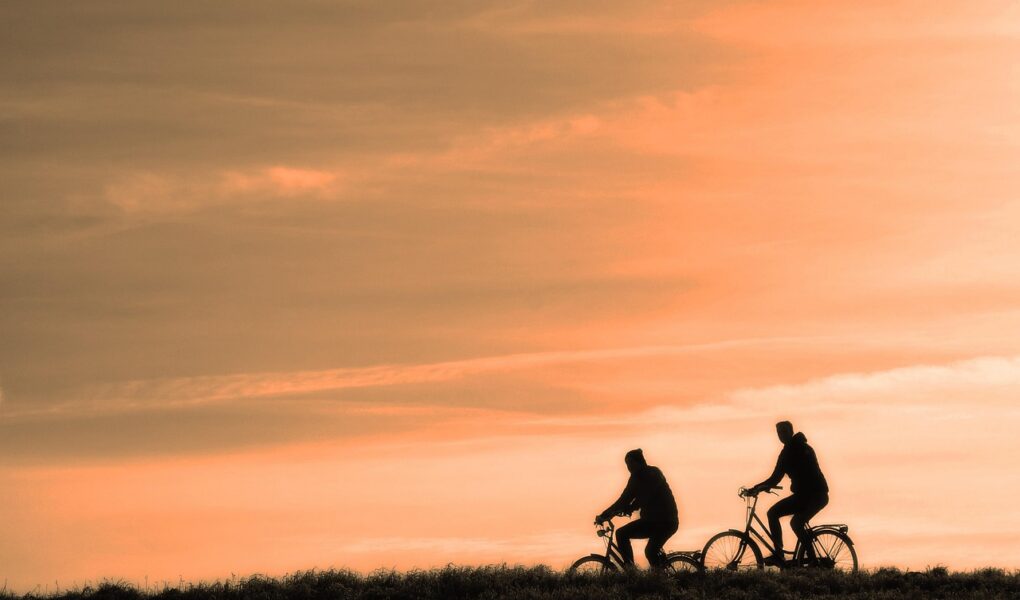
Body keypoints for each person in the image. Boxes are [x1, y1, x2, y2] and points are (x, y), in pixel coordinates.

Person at [745, 421, 829, 567]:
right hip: (808, 495)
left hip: (813, 495)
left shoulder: (795, 450)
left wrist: (758, 488)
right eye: (778, 433)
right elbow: (775, 477)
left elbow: (776, 478)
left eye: (783, 432)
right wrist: (758, 487)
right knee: (785, 518)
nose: (781, 435)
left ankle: (801, 558)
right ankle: (790, 556)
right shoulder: (795, 449)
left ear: (791, 431)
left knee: (788, 519)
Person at [595, 449, 679, 569]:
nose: (628, 467)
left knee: (625, 536)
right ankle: (654, 575)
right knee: (650, 551)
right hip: (657, 521)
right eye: (627, 465)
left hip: (662, 522)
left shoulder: (648, 475)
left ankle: (633, 572)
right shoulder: (647, 474)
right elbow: (629, 498)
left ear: (638, 462)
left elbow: (629, 498)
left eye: (630, 464)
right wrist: (620, 510)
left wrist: (605, 515)